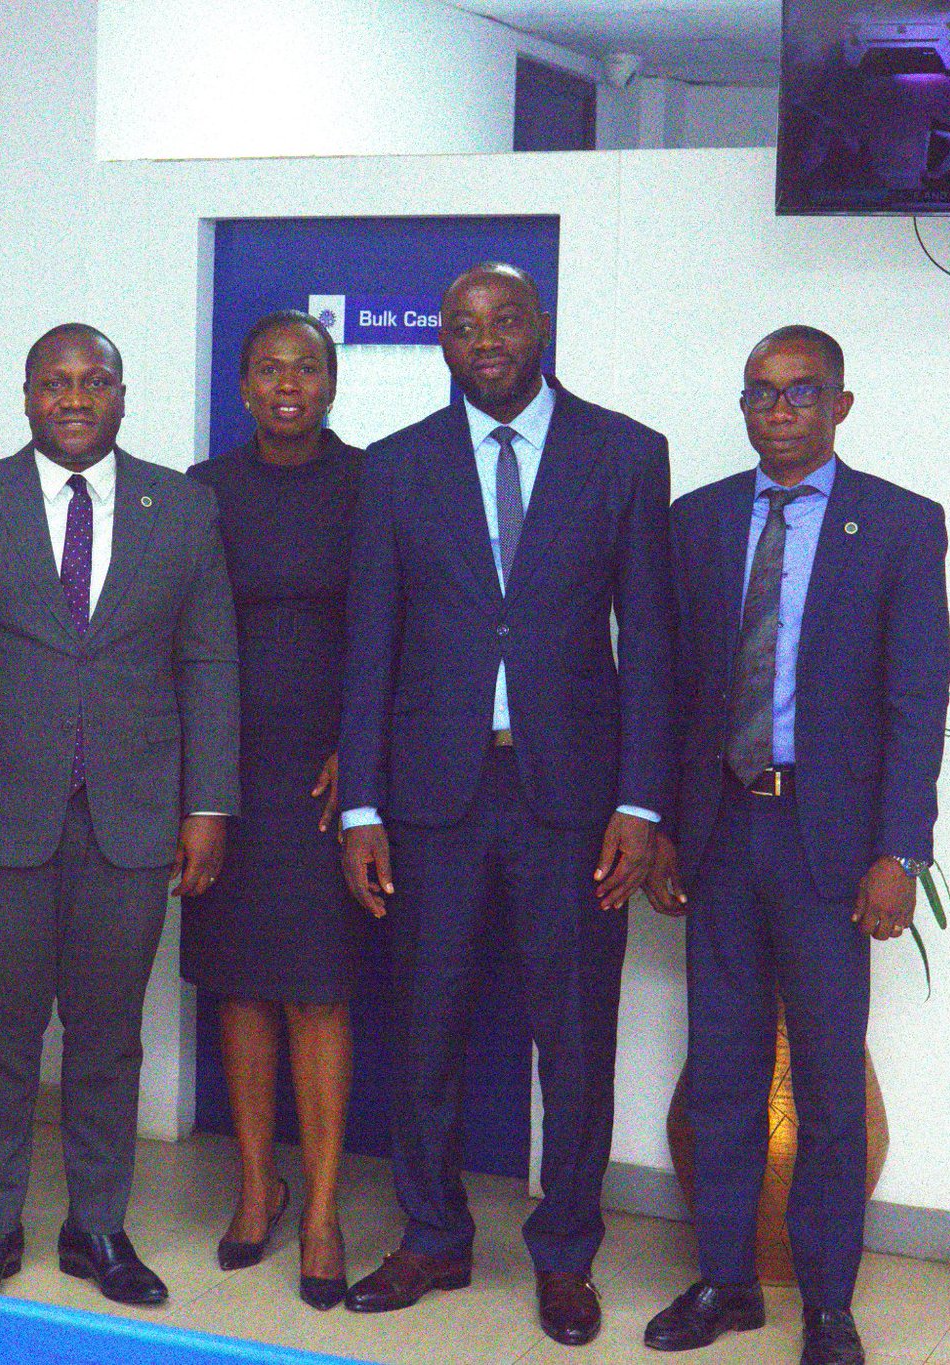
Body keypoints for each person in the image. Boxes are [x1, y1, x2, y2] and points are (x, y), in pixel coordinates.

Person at [336, 263, 673, 1346]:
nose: (485, 339)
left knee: (573, 1039)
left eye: (505, 319)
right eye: (464, 324)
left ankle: (565, 1253)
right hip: (431, 797)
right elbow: (370, 644)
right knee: (422, 1030)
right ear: (442, 340)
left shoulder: (624, 454)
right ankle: (433, 1235)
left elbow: (651, 641)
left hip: (574, 802)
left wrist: (641, 800)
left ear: (541, 328)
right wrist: (359, 807)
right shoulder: (395, 466)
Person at [642, 327, 948, 1365]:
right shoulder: (697, 521)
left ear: (839, 405)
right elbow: (672, 688)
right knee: (723, 1075)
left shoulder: (899, 524)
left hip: (831, 845)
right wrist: (665, 827)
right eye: (759, 394)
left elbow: (914, 700)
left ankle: (825, 1303)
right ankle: (727, 1281)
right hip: (721, 830)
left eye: (799, 393)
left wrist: (898, 853)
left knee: (825, 1085)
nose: (777, 411)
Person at [0, 323, 239, 1312]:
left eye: (93, 381)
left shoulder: (181, 507)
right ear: (26, 395)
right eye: (53, 383)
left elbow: (207, 659)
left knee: (108, 1037)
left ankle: (98, 1227)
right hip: (1, 816)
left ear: (121, 393)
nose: (73, 399)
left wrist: (207, 803)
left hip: (134, 816)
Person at [180, 310, 364, 1310]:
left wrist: (360, 746)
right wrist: (193, 775)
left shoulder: (371, 483)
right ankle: (258, 1186)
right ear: (244, 385)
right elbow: (178, 631)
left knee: (318, 992)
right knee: (240, 985)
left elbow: (396, 626)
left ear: (330, 382)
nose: (287, 383)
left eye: (305, 367)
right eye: (268, 368)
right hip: (227, 774)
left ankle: (324, 1210)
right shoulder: (202, 490)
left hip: (325, 779)